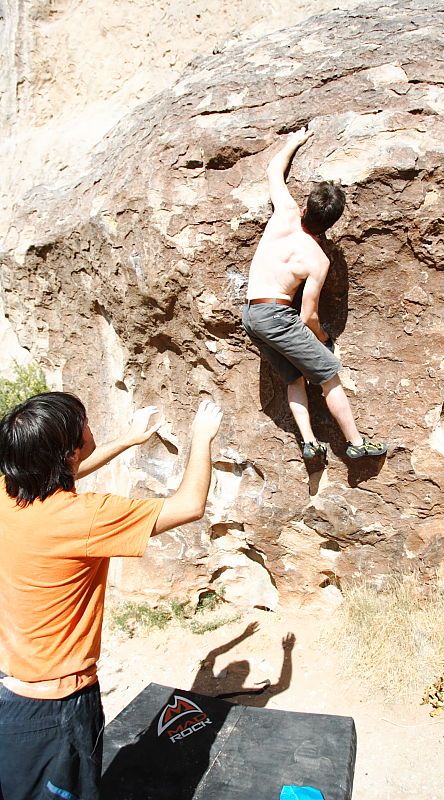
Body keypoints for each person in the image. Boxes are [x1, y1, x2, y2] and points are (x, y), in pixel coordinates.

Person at [0, 392, 222, 800]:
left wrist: (128, 440)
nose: (90, 425)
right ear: (70, 450)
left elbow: (63, 473)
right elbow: (189, 506)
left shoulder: (8, 492)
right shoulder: (83, 517)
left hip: (13, 695)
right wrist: (201, 437)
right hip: (60, 707)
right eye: (84, 422)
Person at [242, 128, 386, 461]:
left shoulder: (284, 214)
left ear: (306, 207)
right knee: (328, 375)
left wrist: (295, 140)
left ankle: (310, 443)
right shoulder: (317, 259)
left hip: (251, 313)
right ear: (332, 223)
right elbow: (307, 316)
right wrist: (323, 338)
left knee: (294, 376)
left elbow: (273, 170)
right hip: (277, 316)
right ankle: (356, 443)